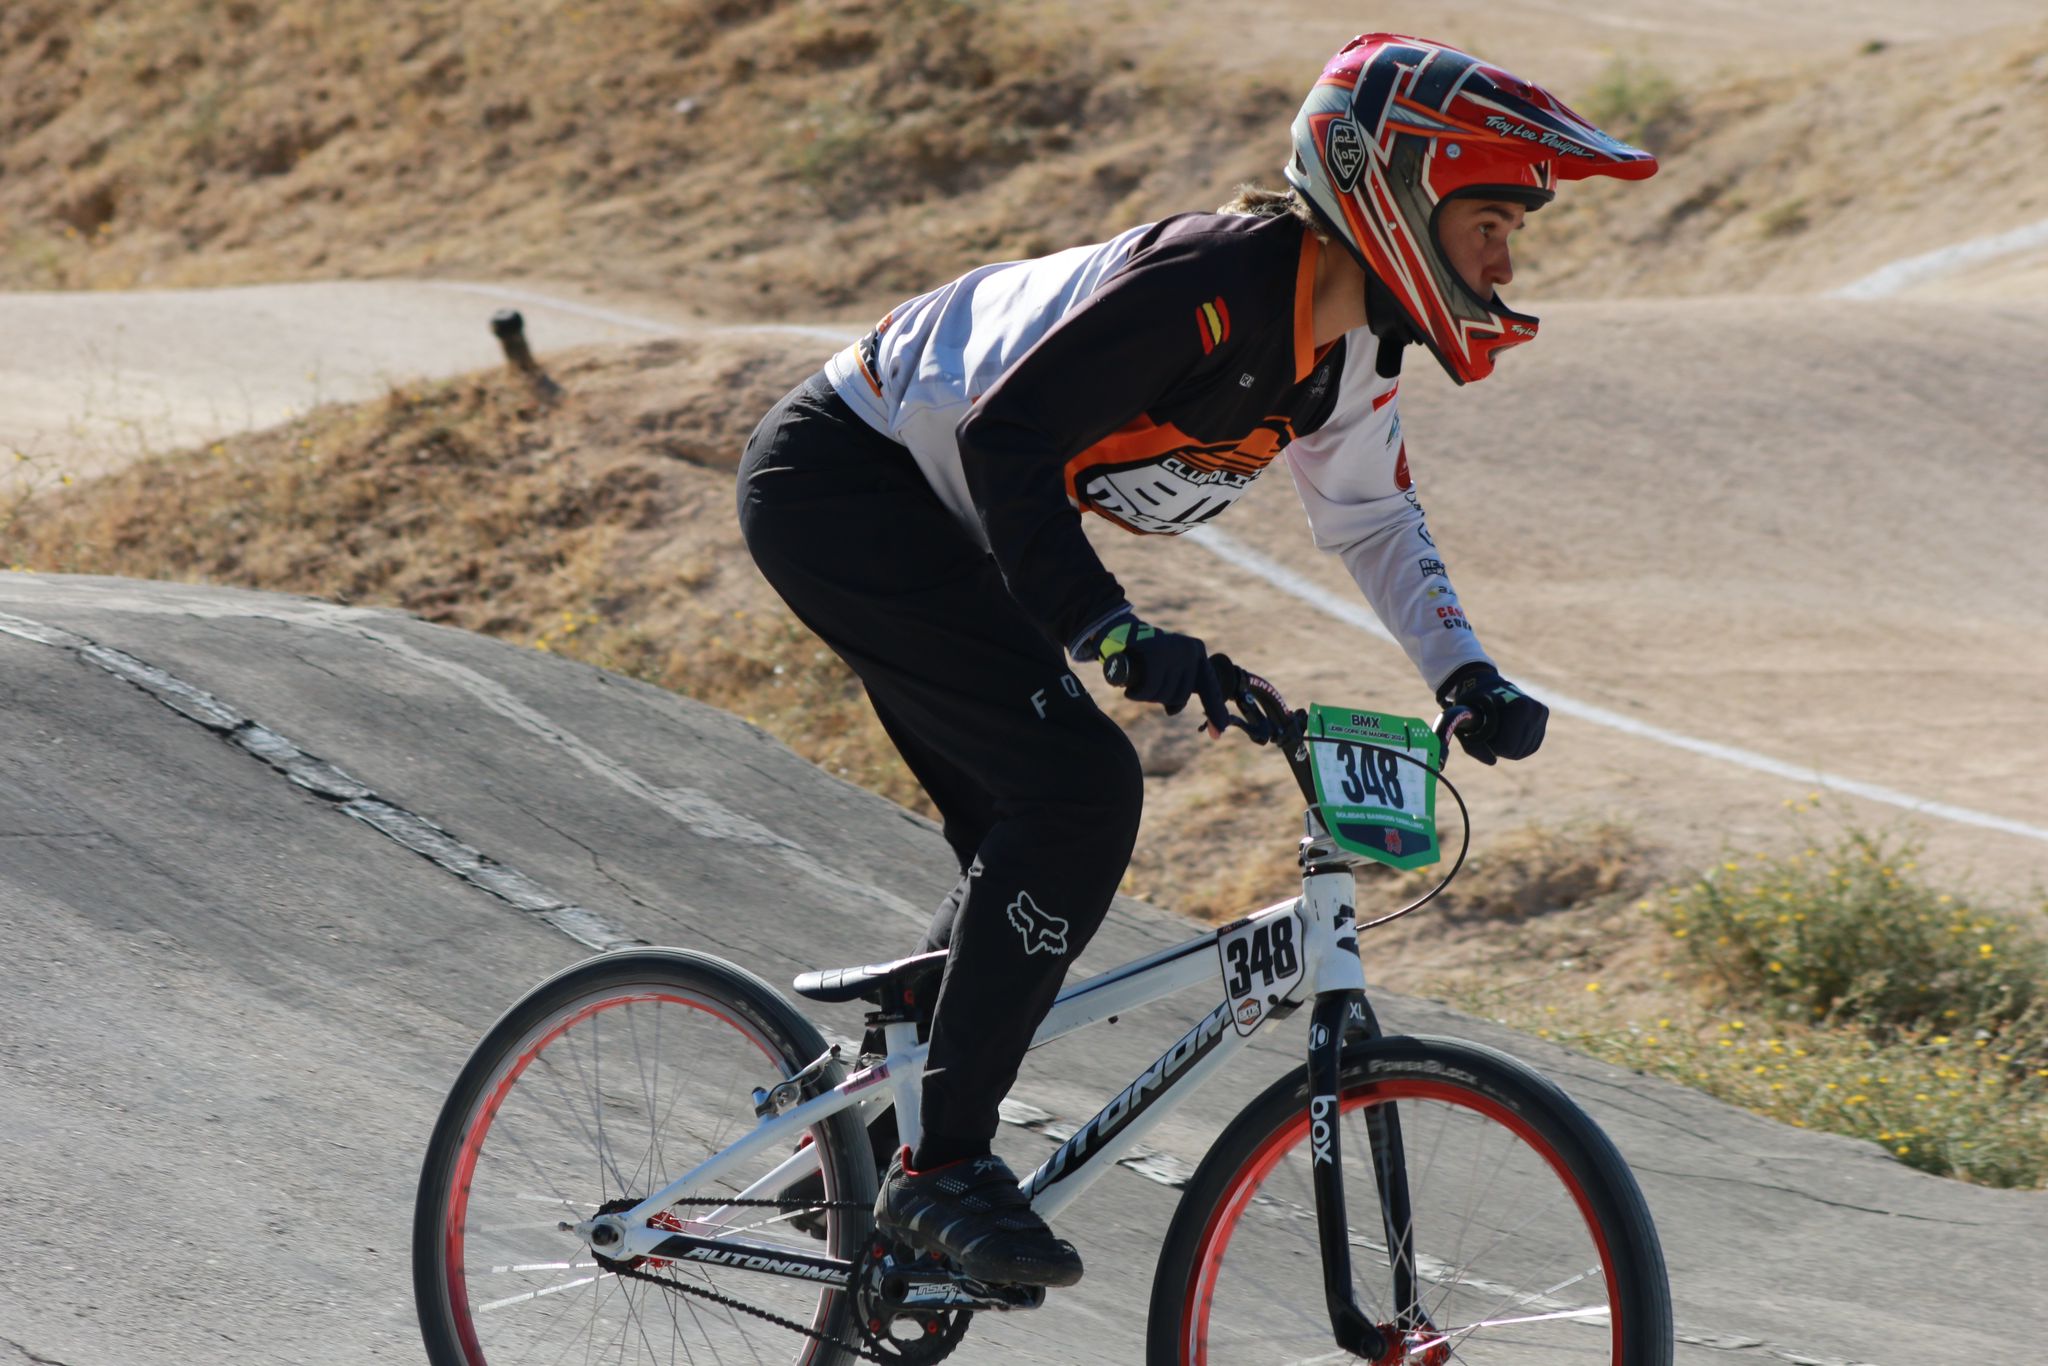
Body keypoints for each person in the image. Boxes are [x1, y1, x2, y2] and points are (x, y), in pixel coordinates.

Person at [736, 32, 1657, 1289]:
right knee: (1078, 791)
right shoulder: (1210, 283)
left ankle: (864, 1158)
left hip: (955, 525)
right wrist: (1108, 631)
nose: (1504, 259)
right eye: (1488, 220)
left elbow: (1373, 518)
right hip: (848, 482)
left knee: (1034, 834)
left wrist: (1464, 673)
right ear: (1385, 193)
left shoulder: (1344, 359)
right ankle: (936, 1169)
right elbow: (1009, 439)